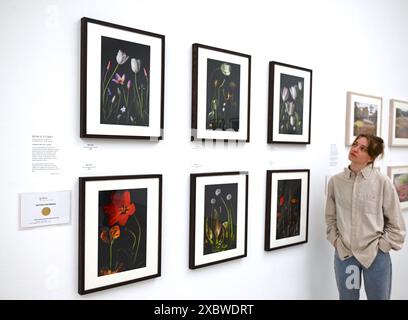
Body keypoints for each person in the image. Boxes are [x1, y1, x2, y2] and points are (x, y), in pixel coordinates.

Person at [325, 133, 406, 300]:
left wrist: (382, 247)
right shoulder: (336, 182)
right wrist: (336, 241)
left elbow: (396, 224)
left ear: (370, 157)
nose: (355, 149)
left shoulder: (383, 182)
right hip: (346, 256)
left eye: (362, 148)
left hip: (375, 257)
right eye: (355, 144)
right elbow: (330, 217)